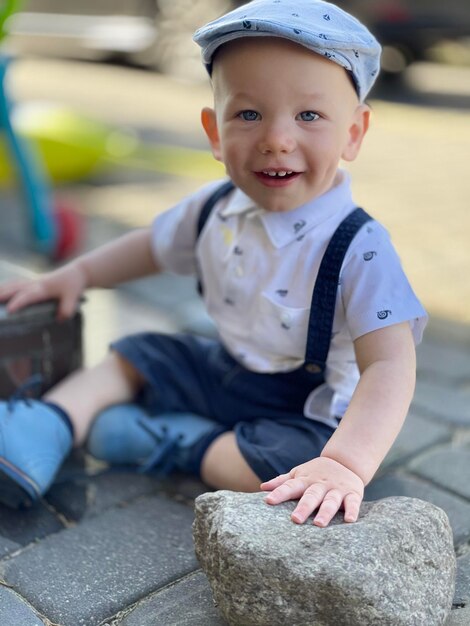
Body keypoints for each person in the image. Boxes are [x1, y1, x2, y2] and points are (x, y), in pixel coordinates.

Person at [0, 0, 426, 526]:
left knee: (281, 470)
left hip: (308, 414)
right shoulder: (214, 206)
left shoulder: (360, 247)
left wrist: (344, 462)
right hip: (226, 370)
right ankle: (48, 426)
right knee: (141, 353)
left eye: (309, 115)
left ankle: (181, 441)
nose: (276, 139)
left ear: (354, 133)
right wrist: (78, 274)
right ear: (214, 132)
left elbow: (389, 365)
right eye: (248, 114)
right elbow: (150, 247)